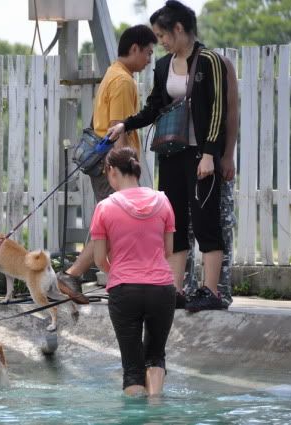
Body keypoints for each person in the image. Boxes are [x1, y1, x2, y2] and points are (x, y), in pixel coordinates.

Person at [107, 0, 228, 312]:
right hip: (171, 153)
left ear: (179, 28)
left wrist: (210, 154)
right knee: (173, 221)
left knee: (205, 220)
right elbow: (154, 107)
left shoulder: (209, 61)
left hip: (199, 155)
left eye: (162, 35)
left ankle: (210, 291)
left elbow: (218, 110)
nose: (159, 41)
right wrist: (126, 124)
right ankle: (175, 290)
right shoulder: (163, 66)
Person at [57, 25, 157, 304]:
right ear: (134, 49)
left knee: (112, 225)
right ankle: (73, 274)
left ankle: (115, 280)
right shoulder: (123, 81)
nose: (149, 60)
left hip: (105, 163)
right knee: (115, 225)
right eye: (148, 53)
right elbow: (117, 129)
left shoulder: (113, 73)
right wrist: (126, 171)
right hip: (113, 163)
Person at [91, 147, 176, 396]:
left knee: (132, 369)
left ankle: (136, 412)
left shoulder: (105, 207)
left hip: (124, 291)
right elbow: (168, 250)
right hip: (162, 289)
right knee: (156, 356)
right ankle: (156, 407)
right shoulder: (163, 201)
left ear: (112, 171)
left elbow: (99, 259)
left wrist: (117, 272)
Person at [184, 55, 239, 309]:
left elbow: (231, 112)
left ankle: (219, 289)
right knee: (184, 226)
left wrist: (227, 155)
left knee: (220, 223)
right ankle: (187, 287)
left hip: (213, 158)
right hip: (184, 158)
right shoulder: (173, 65)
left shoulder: (221, 64)